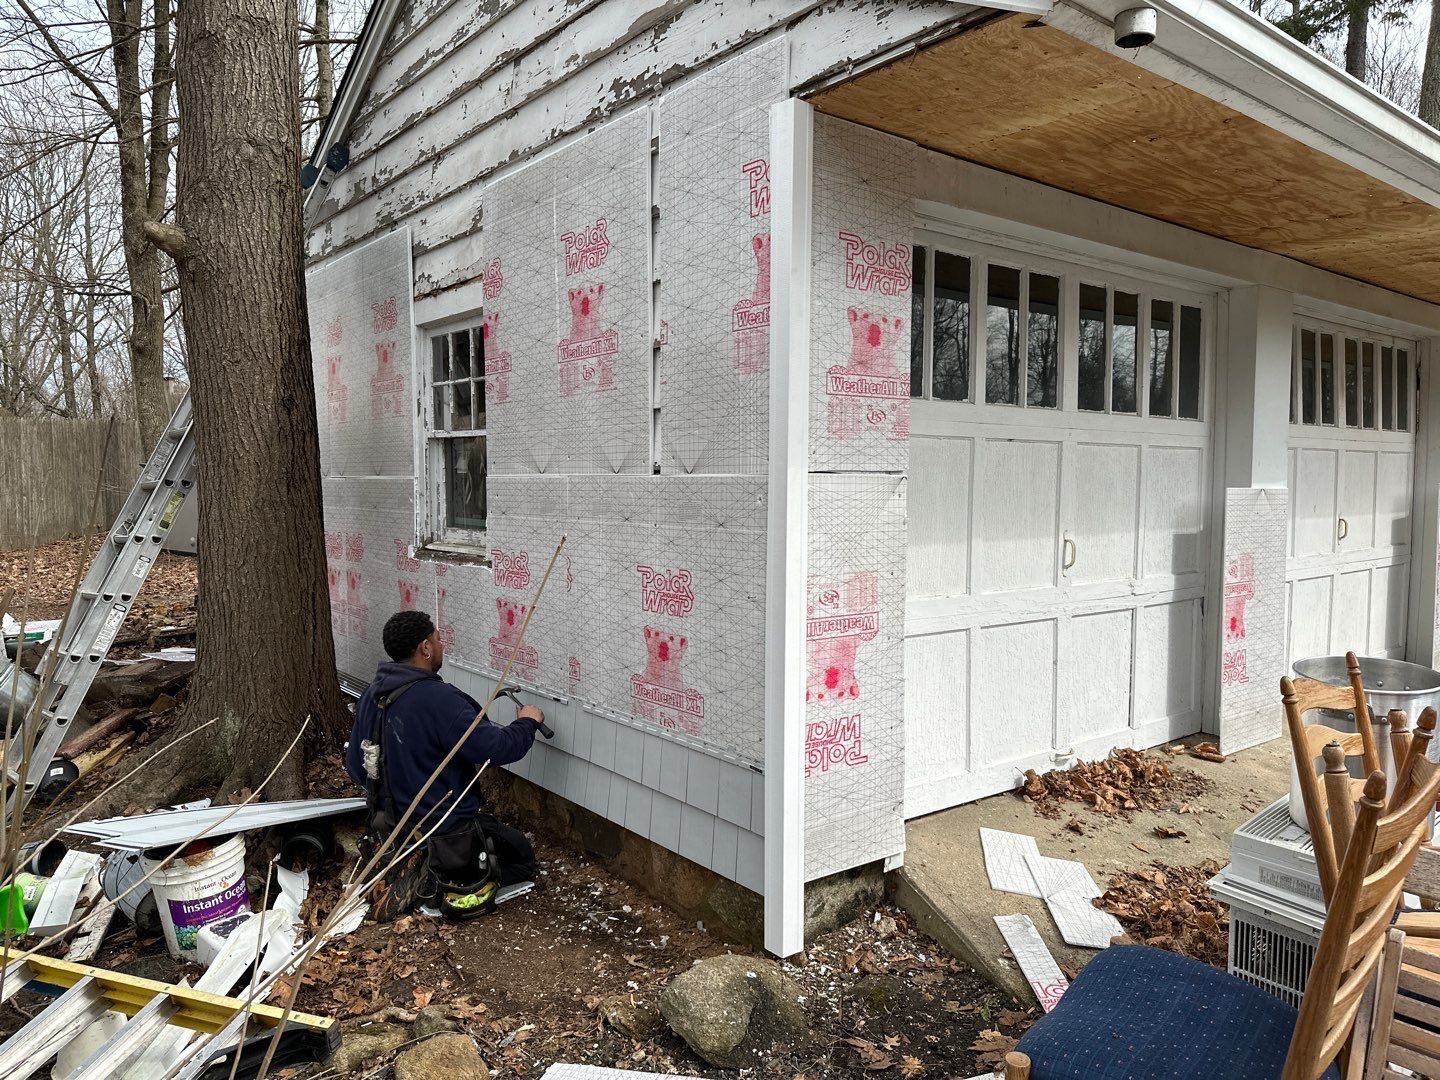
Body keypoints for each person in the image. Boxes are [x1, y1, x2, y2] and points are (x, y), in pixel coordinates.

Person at [345, 609, 545, 919]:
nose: (442, 646)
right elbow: (496, 749)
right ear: (425, 648)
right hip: (442, 832)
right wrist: (527, 723)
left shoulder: (373, 695)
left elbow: (356, 767)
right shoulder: (439, 700)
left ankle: (412, 864)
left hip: (390, 828)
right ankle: (434, 880)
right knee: (520, 856)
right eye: (438, 640)